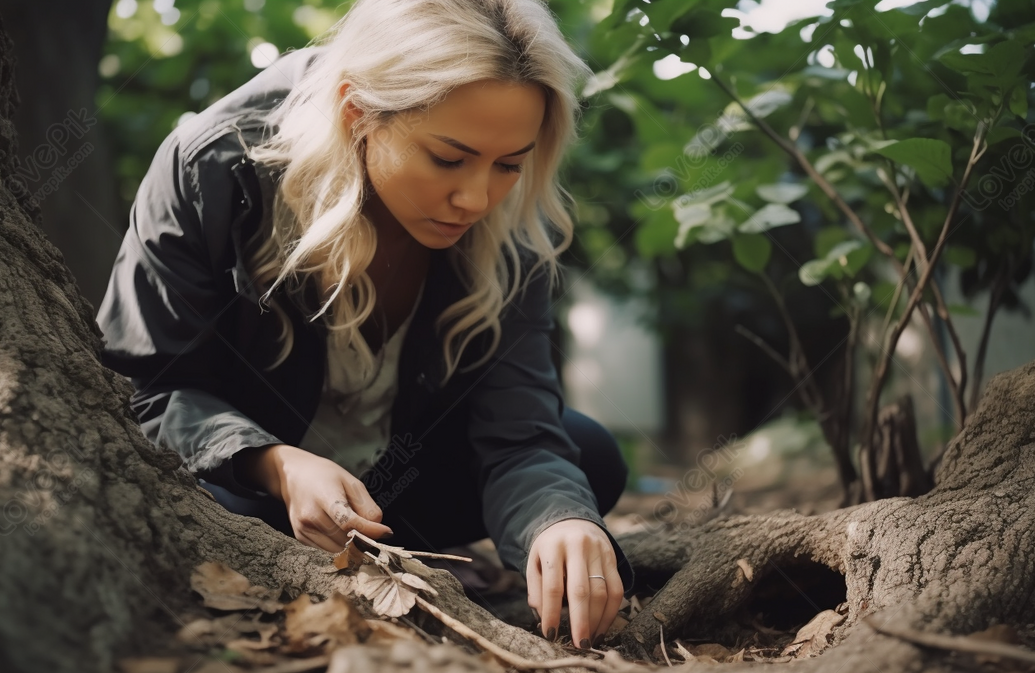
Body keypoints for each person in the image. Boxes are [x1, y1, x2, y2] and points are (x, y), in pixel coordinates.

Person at [96, 0, 634, 650]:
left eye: (509, 163)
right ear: (358, 113)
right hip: (254, 488)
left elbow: (520, 434)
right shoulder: (212, 167)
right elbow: (147, 389)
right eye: (448, 158)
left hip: (396, 485)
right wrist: (275, 463)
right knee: (208, 512)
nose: (476, 197)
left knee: (588, 461)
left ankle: (397, 557)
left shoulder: (513, 215)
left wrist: (559, 523)